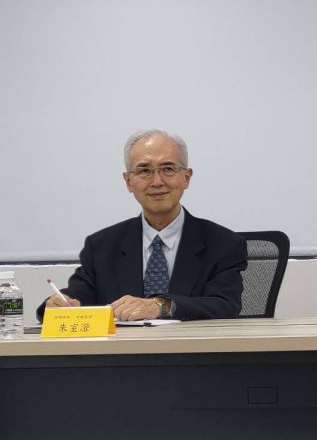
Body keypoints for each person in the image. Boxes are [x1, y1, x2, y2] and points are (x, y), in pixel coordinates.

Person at [38, 129, 247, 322]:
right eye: (144, 171)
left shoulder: (223, 244)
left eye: (168, 169)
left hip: (192, 349)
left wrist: (161, 306)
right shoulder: (101, 246)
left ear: (186, 177)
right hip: (123, 350)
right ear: (128, 181)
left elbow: (225, 305)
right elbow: (77, 299)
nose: (157, 182)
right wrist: (57, 306)